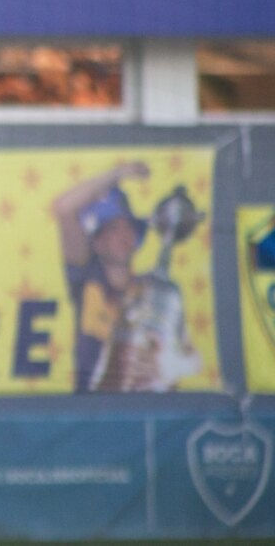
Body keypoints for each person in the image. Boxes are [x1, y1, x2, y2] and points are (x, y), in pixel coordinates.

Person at [54, 162, 176, 392]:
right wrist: (117, 174)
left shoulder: (151, 291)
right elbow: (63, 209)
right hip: (92, 407)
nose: (123, 234)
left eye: (127, 227)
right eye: (112, 229)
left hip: (145, 406)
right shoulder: (87, 279)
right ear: (96, 242)